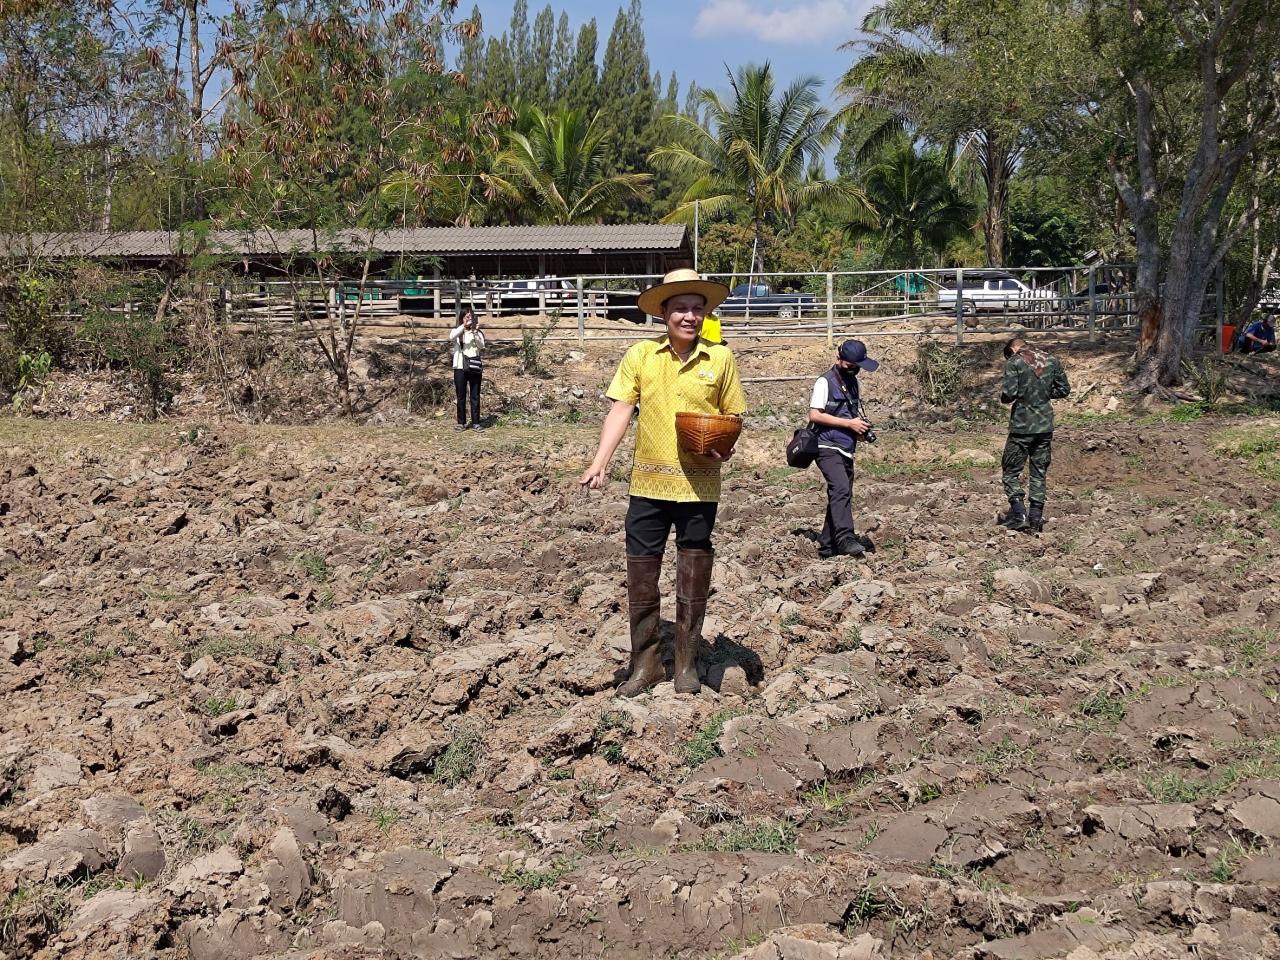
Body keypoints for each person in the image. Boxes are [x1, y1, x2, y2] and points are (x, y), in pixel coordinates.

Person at [579, 268, 747, 698]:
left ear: (704, 314)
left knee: (693, 572)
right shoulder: (640, 356)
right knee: (641, 573)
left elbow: (733, 416)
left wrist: (724, 447)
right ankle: (647, 662)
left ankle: (687, 663)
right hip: (647, 485)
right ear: (664, 313)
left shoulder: (721, 358)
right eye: (681, 309)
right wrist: (600, 461)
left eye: (697, 309)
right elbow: (621, 410)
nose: (689, 316)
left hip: (699, 486)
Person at [808, 339, 878, 559]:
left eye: (858, 367)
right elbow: (815, 415)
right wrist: (849, 424)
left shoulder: (853, 383)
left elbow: (849, 414)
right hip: (825, 445)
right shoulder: (824, 382)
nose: (854, 371)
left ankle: (828, 547)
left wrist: (859, 431)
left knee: (842, 494)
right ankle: (846, 538)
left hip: (846, 447)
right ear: (838, 360)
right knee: (840, 489)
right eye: (850, 366)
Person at [998, 337, 1070, 533]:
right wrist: (1043, 394)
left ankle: (1019, 515)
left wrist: (1013, 395)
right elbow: (1064, 389)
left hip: (1022, 426)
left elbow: (1009, 394)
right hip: (1045, 426)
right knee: (1039, 471)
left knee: (1010, 471)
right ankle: (1036, 518)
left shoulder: (1015, 362)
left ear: (1013, 349)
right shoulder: (1051, 360)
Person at [449, 305, 485, 430]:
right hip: (459, 367)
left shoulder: (477, 332)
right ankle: (461, 422)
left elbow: (481, 346)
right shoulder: (458, 330)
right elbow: (451, 337)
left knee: (475, 395)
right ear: (462, 318)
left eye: (471, 316)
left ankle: (476, 422)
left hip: (474, 366)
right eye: (466, 316)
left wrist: (475, 332)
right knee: (461, 396)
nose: (469, 319)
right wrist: (463, 326)